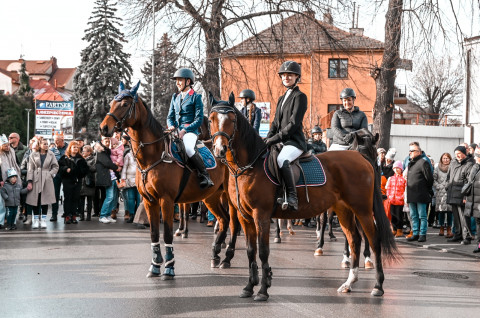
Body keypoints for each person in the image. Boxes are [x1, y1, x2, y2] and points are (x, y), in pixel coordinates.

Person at [264, 61, 307, 210]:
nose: (286, 77)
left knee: (282, 159)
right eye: (284, 75)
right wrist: (267, 138)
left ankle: (292, 196)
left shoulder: (300, 96)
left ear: (297, 77)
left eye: (290, 75)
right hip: (281, 141)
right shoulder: (282, 98)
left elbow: (293, 124)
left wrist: (274, 139)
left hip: (294, 142)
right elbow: (275, 123)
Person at [167, 68, 213, 189]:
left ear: (188, 81)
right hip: (175, 130)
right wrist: (171, 125)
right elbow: (170, 117)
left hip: (190, 131)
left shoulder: (196, 97)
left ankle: (205, 175)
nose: (177, 83)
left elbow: (198, 119)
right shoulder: (175, 97)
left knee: (188, 148)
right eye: (176, 81)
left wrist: (185, 130)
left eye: (180, 80)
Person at [26, 138, 59, 229]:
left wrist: (50, 174)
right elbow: (30, 169)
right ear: (39, 145)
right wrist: (30, 181)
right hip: (36, 178)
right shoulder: (33, 154)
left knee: (45, 199)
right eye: (44, 144)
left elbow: (56, 166)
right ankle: (36, 219)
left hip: (47, 179)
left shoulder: (51, 154)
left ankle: (43, 220)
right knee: (35, 199)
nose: (46, 145)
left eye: (47, 144)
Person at [446, 145, 474, 244]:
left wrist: (466, 196)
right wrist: (447, 187)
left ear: (464, 153)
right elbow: (448, 177)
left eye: (459, 154)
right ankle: (458, 234)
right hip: (452, 193)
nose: (457, 156)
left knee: (464, 217)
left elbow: (469, 182)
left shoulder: (469, 164)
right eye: (456, 154)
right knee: (456, 217)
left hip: (462, 195)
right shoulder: (453, 163)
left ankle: (467, 237)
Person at [406, 141, 434, 242]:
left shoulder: (423, 162)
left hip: (421, 193)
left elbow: (429, 178)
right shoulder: (410, 163)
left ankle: (422, 234)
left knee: (422, 215)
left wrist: (428, 190)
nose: (410, 152)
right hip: (411, 193)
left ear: (419, 152)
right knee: (413, 215)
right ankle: (415, 233)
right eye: (409, 150)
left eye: (412, 150)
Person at [58, 141, 89, 224]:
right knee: (68, 198)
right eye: (74, 147)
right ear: (70, 148)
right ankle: (67, 216)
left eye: (77, 147)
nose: (75, 148)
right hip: (67, 180)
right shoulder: (64, 158)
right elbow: (59, 168)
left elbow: (85, 170)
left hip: (77, 180)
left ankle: (74, 216)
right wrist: (65, 169)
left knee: (75, 198)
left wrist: (78, 172)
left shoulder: (81, 158)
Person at [94, 140, 119, 224]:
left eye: (109, 141)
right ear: (101, 141)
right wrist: (116, 167)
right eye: (106, 141)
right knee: (109, 197)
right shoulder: (100, 152)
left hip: (112, 177)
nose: (108, 143)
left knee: (113, 198)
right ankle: (102, 216)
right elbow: (107, 163)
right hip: (107, 177)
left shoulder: (107, 151)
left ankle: (107, 215)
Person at [434, 152, 453, 237]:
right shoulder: (437, 168)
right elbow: (434, 179)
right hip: (440, 193)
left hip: (449, 192)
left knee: (450, 212)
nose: (445, 160)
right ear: (441, 159)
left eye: (447, 158)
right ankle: (441, 227)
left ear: (450, 159)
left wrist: (447, 185)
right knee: (441, 211)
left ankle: (449, 228)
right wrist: (438, 186)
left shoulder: (452, 167)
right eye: (444, 158)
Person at [50, 133, 68, 222]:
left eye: (58, 140)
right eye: (55, 141)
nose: (56, 142)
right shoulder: (52, 150)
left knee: (67, 195)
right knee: (55, 195)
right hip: (56, 174)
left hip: (66, 174)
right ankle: (54, 214)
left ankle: (67, 214)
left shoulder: (68, 148)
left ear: (62, 140)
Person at [465, 147, 480, 253]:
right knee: (478, 223)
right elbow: (470, 181)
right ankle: (479, 244)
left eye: (477, 155)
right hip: (476, 200)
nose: (475, 157)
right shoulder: (476, 167)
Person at [121, 144, 141, 223]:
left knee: (139, 199)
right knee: (131, 199)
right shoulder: (128, 155)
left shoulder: (142, 155)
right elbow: (125, 167)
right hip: (130, 180)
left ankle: (138, 215)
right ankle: (131, 215)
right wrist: (123, 178)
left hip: (140, 180)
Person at [386, 161, 406, 238]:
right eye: (395, 168)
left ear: (401, 169)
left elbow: (405, 189)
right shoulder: (391, 178)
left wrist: (402, 197)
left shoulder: (403, 179)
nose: (396, 169)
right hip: (392, 200)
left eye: (398, 168)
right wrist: (389, 196)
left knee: (399, 216)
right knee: (393, 216)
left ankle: (399, 230)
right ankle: (394, 229)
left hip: (400, 201)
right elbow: (388, 188)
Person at [79, 145, 96, 221]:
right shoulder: (80, 159)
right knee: (81, 200)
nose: (82, 153)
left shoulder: (93, 159)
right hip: (81, 181)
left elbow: (94, 169)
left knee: (89, 200)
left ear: (89, 152)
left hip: (89, 181)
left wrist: (86, 164)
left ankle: (88, 216)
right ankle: (81, 215)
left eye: (84, 151)